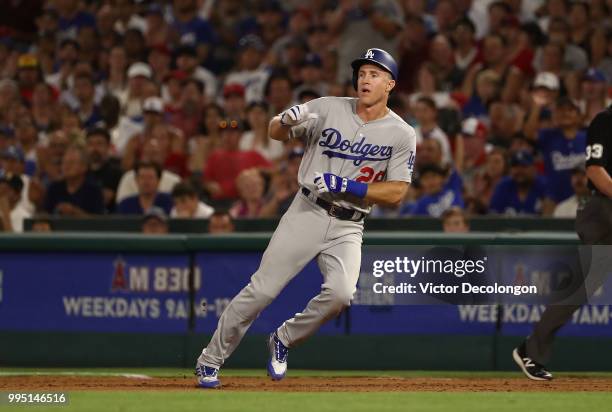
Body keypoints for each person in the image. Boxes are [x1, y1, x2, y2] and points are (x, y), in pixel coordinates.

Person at [195, 48, 416, 388]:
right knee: (262, 291)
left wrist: (348, 186)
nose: (365, 79)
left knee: (341, 294)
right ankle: (209, 360)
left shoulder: (401, 133)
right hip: (307, 211)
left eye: (374, 74)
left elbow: (397, 192)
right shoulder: (327, 106)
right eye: (362, 73)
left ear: (390, 84)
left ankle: (283, 338)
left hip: (348, 223)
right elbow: (274, 132)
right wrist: (284, 120)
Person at [513, 106, 612, 381]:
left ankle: (531, 350)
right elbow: (595, 171)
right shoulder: (605, 120)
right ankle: (531, 350)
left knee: (581, 288)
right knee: (582, 287)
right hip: (603, 210)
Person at [44, 145, 105, 216]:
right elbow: (46, 214)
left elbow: (99, 221)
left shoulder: (94, 190)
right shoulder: (54, 188)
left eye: (71, 162)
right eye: (64, 162)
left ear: (84, 167)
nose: (66, 166)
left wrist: (74, 212)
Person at [489, 150, 551, 216]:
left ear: (534, 169)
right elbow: (493, 218)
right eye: (515, 166)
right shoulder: (503, 186)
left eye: (523, 166)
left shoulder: (545, 186)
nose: (519, 170)